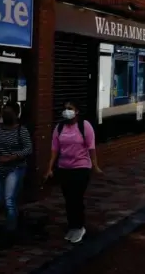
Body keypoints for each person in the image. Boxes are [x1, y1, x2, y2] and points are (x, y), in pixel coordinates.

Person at [44, 101, 102, 243]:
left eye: (70, 109)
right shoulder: (59, 128)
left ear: (77, 111)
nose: (66, 111)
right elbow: (54, 149)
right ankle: (72, 226)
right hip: (64, 167)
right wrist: (49, 168)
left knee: (76, 197)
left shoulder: (85, 126)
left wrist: (95, 165)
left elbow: (91, 147)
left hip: (81, 167)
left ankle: (79, 226)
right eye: (65, 109)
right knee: (68, 198)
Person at [0, 101, 33, 234]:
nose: (6, 114)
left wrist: (13, 157)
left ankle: (11, 230)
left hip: (15, 168)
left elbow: (28, 149)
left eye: (9, 112)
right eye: (4, 111)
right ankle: (15, 215)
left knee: (9, 199)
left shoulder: (21, 130)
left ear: (16, 114)